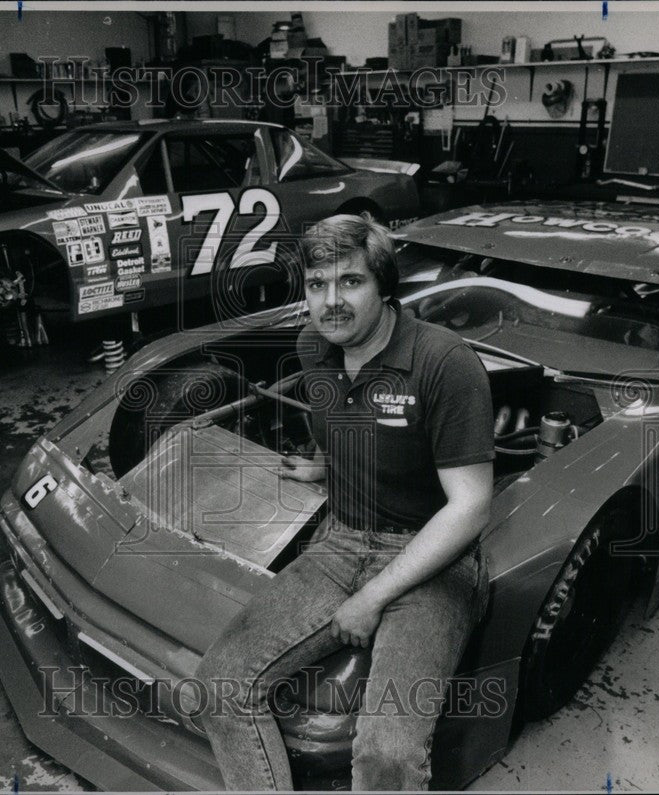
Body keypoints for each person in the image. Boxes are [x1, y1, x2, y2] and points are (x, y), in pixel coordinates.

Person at [196, 213, 494, 790]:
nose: (331, 301)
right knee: (220, 686)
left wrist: (372, 597)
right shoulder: (315, 348)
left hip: (437, 559)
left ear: (384, 287)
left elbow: (470, 507)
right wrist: (329, 464)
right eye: (316, 285)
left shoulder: (445, 364)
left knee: (388, 752)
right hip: (346, 538)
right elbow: (354, 422)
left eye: (350, 282)